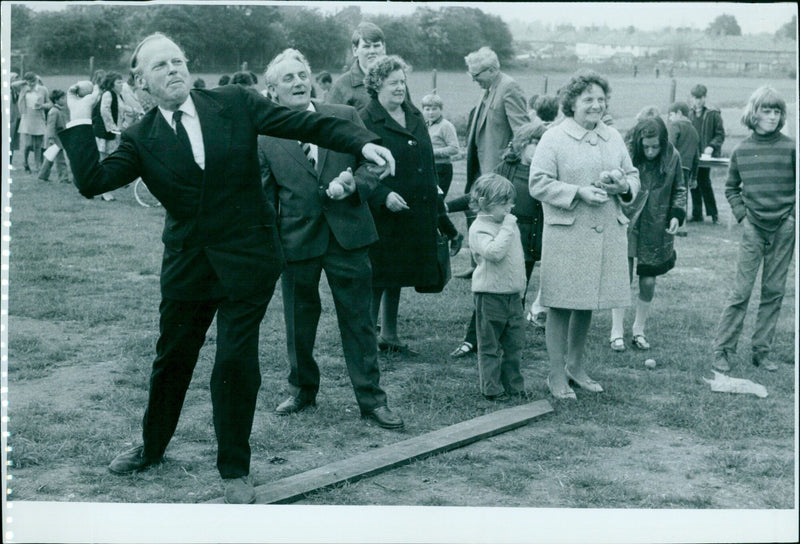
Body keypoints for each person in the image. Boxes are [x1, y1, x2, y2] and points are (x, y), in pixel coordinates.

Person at [59, 32, 395, 504]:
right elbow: (93, 182)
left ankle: (234, 467)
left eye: (177, 60)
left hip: (247, 261)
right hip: (189, 267)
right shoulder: (141, 138)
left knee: (235, 363)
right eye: (160, 66)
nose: (173, 69)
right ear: (141, 82)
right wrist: (77, 118)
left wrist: (363, 144)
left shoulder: (234, 102)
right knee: (172, 359)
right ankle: (152, 447)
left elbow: (307, 123)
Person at [257, 49, 403, 430]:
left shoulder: (343, 116)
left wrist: (355, 183)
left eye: (302, 74)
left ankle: (371, 400)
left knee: (357, 320)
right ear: (272, 91)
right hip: (296, 241)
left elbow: (376, 162)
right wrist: (271, 247)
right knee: (298, 321)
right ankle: (302, 389)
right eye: (287, 78)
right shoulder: (265, 135)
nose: (298, 82)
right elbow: (264, 198)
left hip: (348, 236)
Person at [529, 70, 640, 400]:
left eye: (601, 99)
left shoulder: (613, 136)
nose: (596, 105)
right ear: (571, 103)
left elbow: (633, 176)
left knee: (587, 302)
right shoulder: (554, 138)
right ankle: (555, 374)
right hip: (568, 234)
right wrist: (578, 192)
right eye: (588, 99)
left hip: (605, 232)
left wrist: (624, 186)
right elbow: (538, 183)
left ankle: (575, 367)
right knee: (561, 304)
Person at [447, 46, 528, 358]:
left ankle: (491, 334)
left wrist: (511, 157)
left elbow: (523, 132)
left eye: (475, 75)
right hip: (483, 181)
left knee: (497, 267)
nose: (472, 80)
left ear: (492, 69)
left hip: (499, 185)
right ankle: (484, 331)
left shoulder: (509, 88)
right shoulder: (490, 89)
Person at [360, 55, 440, 355]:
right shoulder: (366, 119)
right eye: (394, 82)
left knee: (398, 274)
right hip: (382, 213)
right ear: (377, 84)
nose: (400, 88)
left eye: (402, 82)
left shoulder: (414, 114)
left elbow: (427, 159)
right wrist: (383, 196)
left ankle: (390, 335)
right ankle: (367, 340)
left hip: (413, 209)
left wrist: (436, 201)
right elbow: (359, 164)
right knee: (378, 275)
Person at [712, 86, 795, 374]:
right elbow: (731, 188)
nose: (772, 117)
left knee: (773, 291)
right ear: (754, 113)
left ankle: (762, 352)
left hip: (784, 228)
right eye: (766, 111)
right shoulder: (742, 150)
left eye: (777, 111)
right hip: (753, 228)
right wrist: (743, 218)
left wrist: (792, 217)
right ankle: (722, 350)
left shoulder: (791, 148)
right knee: (741, 291)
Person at [609, 117, 686, 352]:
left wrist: (676, 215)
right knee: (623, 276)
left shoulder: (673, 157)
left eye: (656, 146)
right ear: (639, 142)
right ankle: (616, 332)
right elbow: (618, 185)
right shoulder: (627, 154)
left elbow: (679, 190)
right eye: (646, 147)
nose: (651, 151)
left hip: (657, 225)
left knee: (649, 280)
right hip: (629, 221)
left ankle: (639, 330)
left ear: (662, 143)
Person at [468, 173, 527, 401]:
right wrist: (507, 228)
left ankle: (514, 385)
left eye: (510, 202)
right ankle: (491, 388)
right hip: (489, 296)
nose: (509, 208)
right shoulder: (479, 228)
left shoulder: (506, 224)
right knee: (489, 346)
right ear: (484, 203)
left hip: (512, 295)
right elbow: (494, 253)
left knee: (514, 345)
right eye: (503, 203)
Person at [524, 94, 560, 329]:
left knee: (550, 259)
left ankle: (540, 307)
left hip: (548, 212)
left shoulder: (542, 134)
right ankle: (539, 306)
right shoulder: (554, 133)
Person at [422, 92, 463, 255]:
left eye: (434, 109)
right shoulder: (424, 124)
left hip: (442, 169)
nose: (430, 112)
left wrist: (433, 152)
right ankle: (445, 237)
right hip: (428, 169)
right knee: (430, 205)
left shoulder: (446, 126)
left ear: (440, 109)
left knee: (435, 204)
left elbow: (454, 148)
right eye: (427, 109)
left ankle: (453, 235)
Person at [94, 71, 136, 201]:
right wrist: (112, 127)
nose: (121, 84)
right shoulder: (108, 94)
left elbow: (124, 108)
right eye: (118, 82)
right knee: (106, 162)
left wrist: (136, 112)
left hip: (114, 134)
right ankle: (104, 192)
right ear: (112, 84)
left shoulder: (118, 96)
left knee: (111, 161)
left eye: (121, 82)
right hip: (106, 134)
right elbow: (104, 111)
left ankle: (109, 185)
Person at [327, 22, 386, 111]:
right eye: (366, 46)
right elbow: (330, 122)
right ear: (355, 50)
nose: (372, 51)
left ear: (384, 48)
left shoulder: (397, 81)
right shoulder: (341, 86)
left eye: (376, 46)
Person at [688, 84, 724, 223]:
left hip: (706, 155)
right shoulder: (689, 114)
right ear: (692, 98)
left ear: (705, 97)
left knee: (704, 182)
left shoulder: (713, 114)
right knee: (693, 182)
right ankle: (697, 214)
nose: (698, 101)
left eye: (701, 98)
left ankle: (713, 214)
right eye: (696, 98)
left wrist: (711, 146)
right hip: (693, 155)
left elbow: (720, 135)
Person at [17, 72, 51, 174]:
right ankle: (25, 163)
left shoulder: (43, 89)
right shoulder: (23, 89)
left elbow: (49, 103)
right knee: (28, 144)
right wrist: (25, 82)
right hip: (27, 117)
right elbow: (12, 85)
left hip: (39, 117)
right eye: (29, 81)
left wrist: (42, 106)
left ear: (36, 80)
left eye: (33, 81)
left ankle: (37, 166)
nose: (31, 83)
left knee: (38, 145)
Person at [37, 89, 71, 184]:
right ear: (56, 100)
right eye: (62, 98)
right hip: (55, 139)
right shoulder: (54, 111)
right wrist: (51, 139)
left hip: (58, 139)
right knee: (60, 160)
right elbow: (50, 127)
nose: (65, 100)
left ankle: (42, 176)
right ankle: (63, 178)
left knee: (50, 158)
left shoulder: (58, 110)